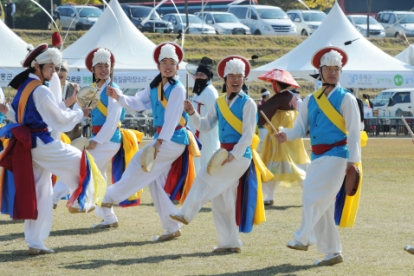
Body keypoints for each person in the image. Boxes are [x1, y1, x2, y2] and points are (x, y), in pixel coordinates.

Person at [0, 43, 95, 254]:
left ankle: (35, 242)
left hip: (29, 146)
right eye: (51, 67)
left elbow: (19, 116)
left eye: (55, 66)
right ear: (38, 67)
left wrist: (7, 110)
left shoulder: (25, 87)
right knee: (81, 160)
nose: (55, 71)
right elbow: (59, 120)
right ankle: (80, 201)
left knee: (43, 192)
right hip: (40, 143)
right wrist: (81, 114)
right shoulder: (41, 90)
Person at [170, 55, 266, 253]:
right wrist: (192, 113)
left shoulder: (249, 104)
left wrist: (234, 154)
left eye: (239, 76)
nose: (236, 80)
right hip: (223, 152)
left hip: (241, 156)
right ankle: (229, 243)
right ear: (225, 79)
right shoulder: (220, 102)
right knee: (222, 201)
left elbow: (248, 134)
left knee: (205, 175)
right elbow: (205, 126)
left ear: (244, 79)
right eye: (232, 76)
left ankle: (186, 213)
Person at [275, 47, 361, 266]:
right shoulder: (311, 100)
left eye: (336, 69)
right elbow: (300, 127)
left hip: (338, 155)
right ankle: (333, 252)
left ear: (340, 71)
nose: (332, 72)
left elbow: (353, 132)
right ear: (320, 71)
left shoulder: (347, 98)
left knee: (311, 196)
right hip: (318, 156)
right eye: (328, 68)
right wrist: (287, 134)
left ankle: (302, 237)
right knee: (324, 206)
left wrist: (353, 162)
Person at [97, 42, 192, 241]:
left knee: (140, 159)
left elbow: (173, 118)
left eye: (171, 63)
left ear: (177, 67)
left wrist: (159, 143)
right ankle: (171, 227)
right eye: (164, 62)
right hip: (164, 138)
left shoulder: (178, 89)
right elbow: (138, 103)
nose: (167, 66)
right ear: (158, 65)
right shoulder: (156, 86)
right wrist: (119, 96)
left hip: (173, 138)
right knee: (154, 181)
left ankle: (109, 197)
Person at [52, 48, 128, 212]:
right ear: (93, 69)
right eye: (99, 66)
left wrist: (96, 140)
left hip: (109, 139)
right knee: (99, 175)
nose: (103, 69)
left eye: (106, 66)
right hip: (98, 138)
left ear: (111, 68)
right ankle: (107, 217)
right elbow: (81, 113)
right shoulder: (91, 89)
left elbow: (113, 121)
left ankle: (55, 196)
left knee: (78, 166)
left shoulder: (114, 89)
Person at [258, 69, 310, 206]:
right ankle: (271, 195)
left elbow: (261, 113)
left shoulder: (279, 98)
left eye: (273, 83)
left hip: (279, 140)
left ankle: (270, 195)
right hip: (292, 139)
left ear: (276, 84)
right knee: (293, 165)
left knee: (275, 166)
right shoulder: (293, 97)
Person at [187, 57, 220, 172]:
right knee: (196, 164)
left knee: (206, 162)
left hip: (207, 135)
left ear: (208, 76)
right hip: (196, 132)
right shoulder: (198, 92)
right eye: (198, 74)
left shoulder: (210, 92)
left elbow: (214, 115)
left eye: (202, 74)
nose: (199, 77)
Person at [55, 60, 82, 140]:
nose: (59, 72)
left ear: (67, 73)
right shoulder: (49, 87)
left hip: (73, 132)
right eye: (57, 70)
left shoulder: (75, 88)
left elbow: (79, 108)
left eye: (63, 69)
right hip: (55, 130)